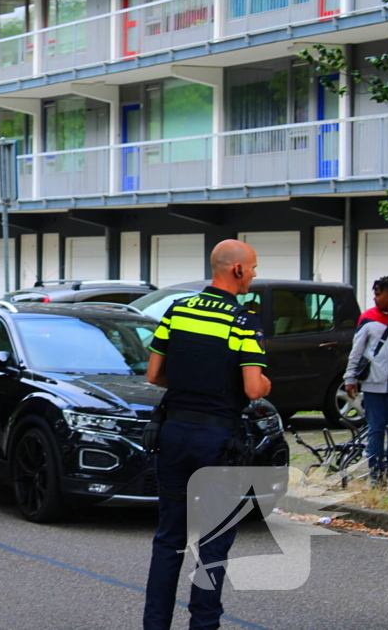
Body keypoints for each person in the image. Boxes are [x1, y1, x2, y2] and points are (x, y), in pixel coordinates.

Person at [143, 239, 272, 630]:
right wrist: (265, 383)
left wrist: (188, 389)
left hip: (175, 432)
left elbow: (153, 375)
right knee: (212, 544)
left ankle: (155, 625)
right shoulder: (242, 319)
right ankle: (203, 625)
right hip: (218, 440)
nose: (253, 273)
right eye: (252, 267)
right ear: (236, 270)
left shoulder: (177, 309)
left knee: (169, 540)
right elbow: (253, 389)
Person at [344, 276, 388, 481]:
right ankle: (376, 473)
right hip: (372, 386)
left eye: (378, 294)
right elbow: (356, 352)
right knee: (375, 431)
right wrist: (350, 378)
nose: (374, 298)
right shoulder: (368, 318)